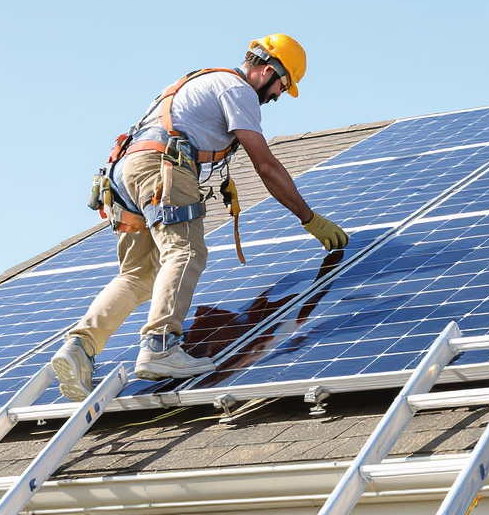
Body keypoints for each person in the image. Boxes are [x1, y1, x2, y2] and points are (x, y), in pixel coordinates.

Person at [52, 34, 350, 400]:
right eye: (282, 86)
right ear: (269, 70)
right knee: (186, 251)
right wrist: (309, 218)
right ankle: (161, 345)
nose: (276, 97)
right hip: (163, 168)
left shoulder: (200, 81)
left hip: (123, 176)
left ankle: (79, 348)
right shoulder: (238, 90)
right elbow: (266, 165)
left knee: (141, 274)